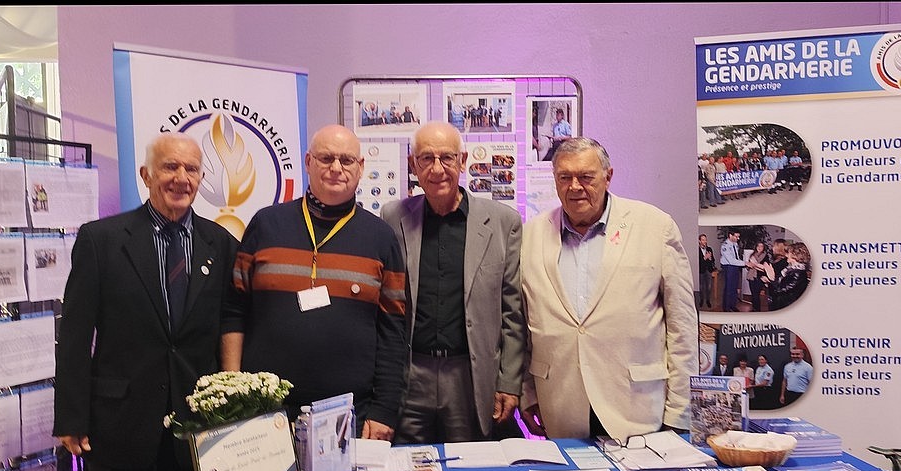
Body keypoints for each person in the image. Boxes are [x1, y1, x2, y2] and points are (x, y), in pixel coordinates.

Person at [53, 132, 239, 471]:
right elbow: (74, 333)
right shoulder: (101, 240)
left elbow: (227, 321)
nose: (181, 178)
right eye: (170, 167)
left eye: (191, 169)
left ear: (201, 178)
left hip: (194, 422)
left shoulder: (221, 244)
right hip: (119, 423)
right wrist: (71, 416)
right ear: (146, 174)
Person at [220, 124, 409, 441]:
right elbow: (234, 310)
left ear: (361, 167)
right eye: (326, 158)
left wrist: (384, 410)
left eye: (346, 160)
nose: (336, 168)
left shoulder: (381, 237)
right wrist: (234, 389)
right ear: (308, 162)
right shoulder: (265, 225)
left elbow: (393, 331)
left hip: (350, 413)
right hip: (263, 410)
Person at [518, 137, 698, 440]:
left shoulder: (655, 226)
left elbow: (682, 328)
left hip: (637, 407)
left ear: (608, 176)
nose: (575, 186)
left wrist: (680, 410)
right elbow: (524, 326)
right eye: (564, 177)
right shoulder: (530, 234)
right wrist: (528, 392)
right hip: (560, 405)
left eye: (586, 176)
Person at [380, 121, 527, 443]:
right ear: (413, 165)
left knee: (469, 464)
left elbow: (513, 312)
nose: (437, 169)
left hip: (470, 374)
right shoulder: (392, 217)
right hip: (411, 374)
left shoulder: (503, 223)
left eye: (447, 157)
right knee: (407, 464)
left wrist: (509, 382)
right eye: (426, 158)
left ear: (463, 161)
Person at [762, 241, 811, 311]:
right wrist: (770, 279)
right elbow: (779, 282)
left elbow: (779, 290)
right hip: (780, 304)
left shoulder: (798, 273)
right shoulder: (789, 268)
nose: (786, 255)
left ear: (796, 256)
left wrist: (771, 278)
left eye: (789, 253)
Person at [719, 229, 745, 312]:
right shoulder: (725, 246)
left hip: (735, 267)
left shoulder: (735, 244)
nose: (738, 238)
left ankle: (733, 305)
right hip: (728, 267)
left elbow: (736, 257)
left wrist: (742, 262)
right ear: (730, 235)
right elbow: (731, 260)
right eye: (736, 236)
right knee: (729, 288)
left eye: (738, 236)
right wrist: (745, 263)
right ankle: (726, 308)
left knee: (734, 288)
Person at [745, 241, 771, 312]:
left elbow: (765, 268)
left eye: (761, 246)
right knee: (753, 294)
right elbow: (748, 266)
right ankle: (754, 308)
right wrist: (750, 265)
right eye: (758, 246)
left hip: (759, 277)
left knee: (756, 294)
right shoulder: (752, 255)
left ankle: (757, 310)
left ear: (763, 248)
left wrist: (755, 265)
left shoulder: (766, 256)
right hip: (751, 276)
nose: (759, 247)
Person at [698, 233, 716, 309]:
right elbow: (698, 262)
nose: (705, 241)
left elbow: (713, 260)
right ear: (699, 241)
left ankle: (708, 300)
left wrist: (710, 258)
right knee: (701, 287)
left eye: (705, 240)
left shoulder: (709, 249)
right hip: (701, 271)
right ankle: (701, 300)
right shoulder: (697, 250)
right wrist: (705, 258)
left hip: (708, 270)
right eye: (703, 240)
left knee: (709, 286)